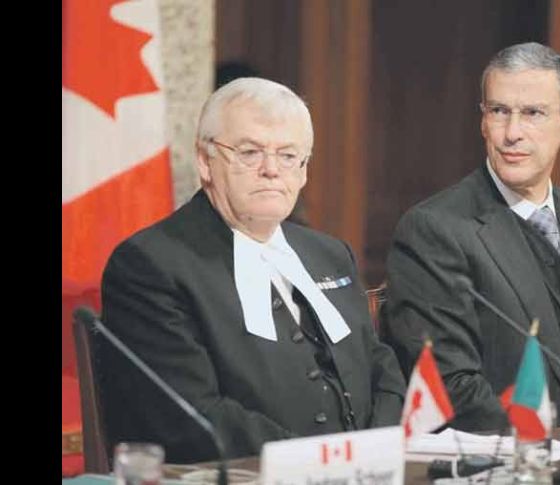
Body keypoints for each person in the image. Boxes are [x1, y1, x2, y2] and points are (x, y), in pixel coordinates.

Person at [100, 77, 406, 463]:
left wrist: (371, 456)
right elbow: (189, 415)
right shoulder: (151, 265)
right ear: (204, 160)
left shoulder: (329, 254)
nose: (271, 170)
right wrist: (321, 463)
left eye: (288, 155)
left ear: (304, 170)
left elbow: (382, 369)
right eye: (249, 152)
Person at [382, 42, 560, 432]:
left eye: (533, 114)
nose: (512, 133)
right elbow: (451, 386)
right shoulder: (435, 228)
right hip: (519, 453)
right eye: (499, 111)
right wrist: (550, 443)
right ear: (482, 121)